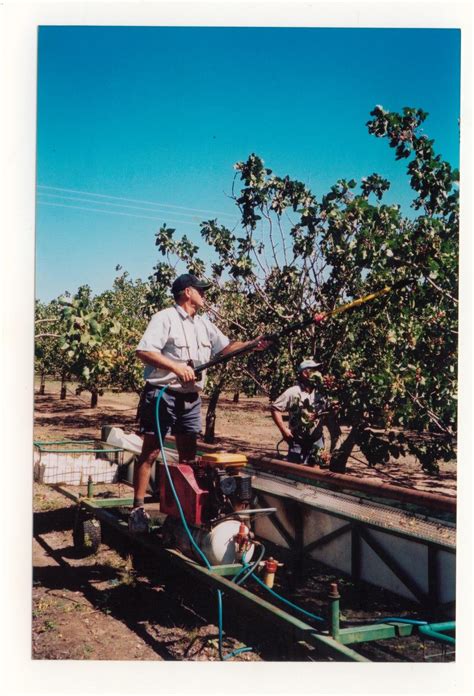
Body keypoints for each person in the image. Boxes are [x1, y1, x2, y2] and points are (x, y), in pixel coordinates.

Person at [130, 273, 270, 532]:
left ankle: (182, 510)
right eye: (200, 290)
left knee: (188, 456)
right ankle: (138, 509)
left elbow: (226, 347)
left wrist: (252, 344)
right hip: (163, 394)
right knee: (150, 451)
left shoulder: (204, 324)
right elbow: (144, 351)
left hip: (191, 398)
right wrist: (176, 366)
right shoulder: (165, 318)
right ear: (186, 292)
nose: (204, 294)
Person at [270, 359, 332, 466]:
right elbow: (275, 408)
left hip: (317, 441)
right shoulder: (293, 392)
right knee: (295, 472)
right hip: (297, 441)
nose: (318, 373)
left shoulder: (322, 392)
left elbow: (328, 411)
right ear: (305, 373)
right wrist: (284, 430)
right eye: (314, 370)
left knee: (316, 472)